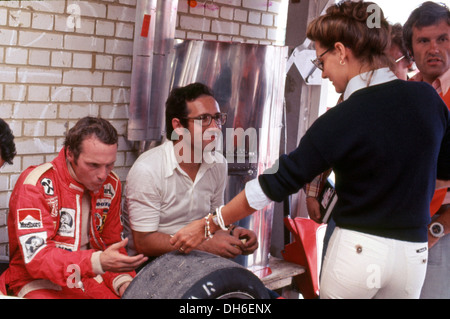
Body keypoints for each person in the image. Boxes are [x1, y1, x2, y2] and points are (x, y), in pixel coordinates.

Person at [170, 1, 450, 299]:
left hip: (358, 253)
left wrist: (210, 223)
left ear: (342, 52)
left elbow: (277, 180)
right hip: (412, 257)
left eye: (322, 60)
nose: (324, 72)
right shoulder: (429, 100)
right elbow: (443, 174)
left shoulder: (343, 116)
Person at [2, 116, 147, 299]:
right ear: (70, 153)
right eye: (93, 165)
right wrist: (96, 262)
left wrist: (123, 281)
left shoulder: (112, 184)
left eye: (110, 164)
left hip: (88, 276)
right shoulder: (36, 183)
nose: (103, 175)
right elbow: (37, 259)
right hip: (36, 279)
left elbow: (111, 245)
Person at [123, 82, 258, 262]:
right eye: (203, 119)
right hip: (151, 264)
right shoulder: (148, 169)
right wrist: (204, 245)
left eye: (217, 118)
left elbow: (214, 218)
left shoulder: (218, 164)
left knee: (252, 289)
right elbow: (144, 242)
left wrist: (233, 231)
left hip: (196, 260)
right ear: (178, 126)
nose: (215, 128)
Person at [403, 1, 450, 299]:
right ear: (411, 49)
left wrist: (436, 231)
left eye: (443, 39)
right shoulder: (402, 94)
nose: (434, 48)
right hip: (399, 234)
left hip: (441, 234)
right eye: (423, 40)